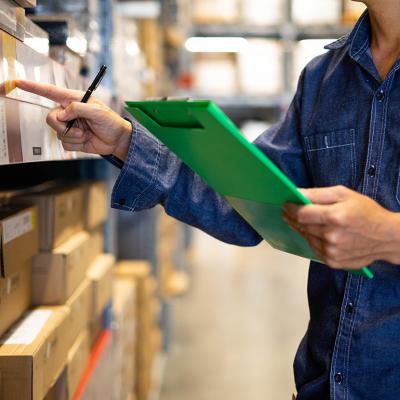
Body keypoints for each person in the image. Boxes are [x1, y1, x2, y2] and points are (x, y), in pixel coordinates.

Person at [15, 0, 400, 398]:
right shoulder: (325, 78)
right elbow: (249, 205)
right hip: (326, 383)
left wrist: (389, 234)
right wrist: (126, 143)